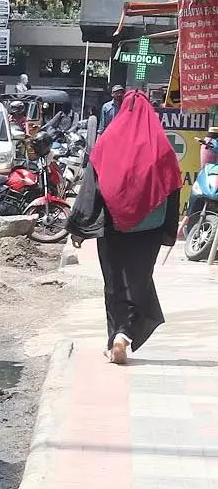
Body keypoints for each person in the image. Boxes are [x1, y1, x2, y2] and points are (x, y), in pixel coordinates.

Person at [66, 89, 181, 364]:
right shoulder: (162, 149)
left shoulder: (107, 145)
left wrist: (80, 228)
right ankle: (124, 335)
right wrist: (169, 231)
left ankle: (114, 338)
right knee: (138, 281)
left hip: (113, 227)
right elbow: (173, 189)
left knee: (115, 283)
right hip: (148, 231)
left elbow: (90, 189)